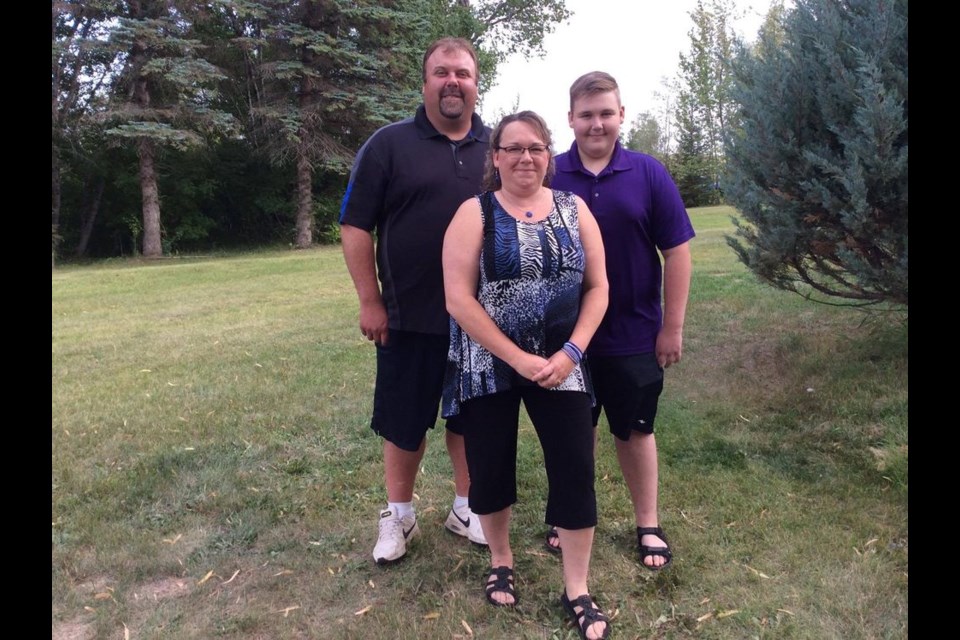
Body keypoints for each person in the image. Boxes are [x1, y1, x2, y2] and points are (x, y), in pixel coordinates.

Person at [442, 111, 611, 640]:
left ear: (549, 155)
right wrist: (516, 357)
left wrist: (573, 352)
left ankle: (577, 588)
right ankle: (500, 559)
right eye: (512, 149)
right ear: (495, 158)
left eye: (535, 148)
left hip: (563, 360)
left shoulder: (574, 209)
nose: (525, 158)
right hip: (489, 361)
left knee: (574, 468)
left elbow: (599, 287)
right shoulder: (474, 213)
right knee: (489, 466)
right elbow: (457, 299)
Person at [339, 37, 490, 565]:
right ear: (424, 82)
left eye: (464, 73)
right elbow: (355, 225)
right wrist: (370, 300)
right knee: (405, 421)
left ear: (476, 82)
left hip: (482, 320)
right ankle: (398, 515)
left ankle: (466, 508)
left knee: (471, 418)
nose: (453, 81)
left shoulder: (498, 148)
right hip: (407, 316)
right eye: (442, 72)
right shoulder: (387, 145)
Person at [546, 71, 695, 571]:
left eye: (606, 113)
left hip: (633, 332)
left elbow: (677, 252)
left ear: (621, 115)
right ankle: (568, 516)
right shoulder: (550, 174)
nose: (596, 124)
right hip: (566, 337)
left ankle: (647, 522)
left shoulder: (648, 173)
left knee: (634, 431)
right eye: (586, 114)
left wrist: (671, 327)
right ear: (570, 119)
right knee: (574, 431)